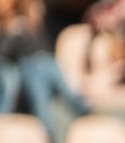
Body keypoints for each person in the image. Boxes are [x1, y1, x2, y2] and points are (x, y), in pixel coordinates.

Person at [0, 0, 89, 133]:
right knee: (40, 103)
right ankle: (46, 136)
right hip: (32, 66)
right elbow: (6, 52)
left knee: (68, 92)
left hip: (48, 61)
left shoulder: (37, 27)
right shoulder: (17, 27)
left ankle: (88, 113)